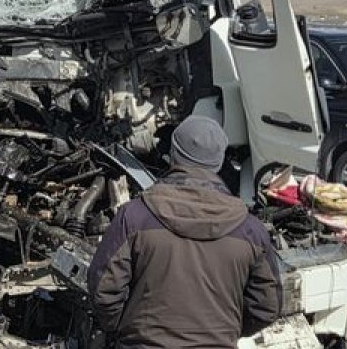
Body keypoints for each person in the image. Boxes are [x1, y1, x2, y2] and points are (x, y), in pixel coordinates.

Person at [88, 115, 282, 348]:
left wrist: (124, 328)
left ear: (174, 156)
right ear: (219, 163)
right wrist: (224, 332)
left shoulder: (134, 217)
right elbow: (267, 306)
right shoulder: (250, 230)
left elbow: (104, 291)